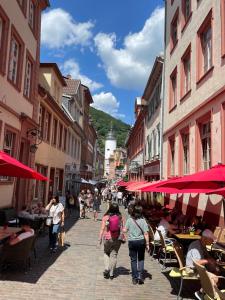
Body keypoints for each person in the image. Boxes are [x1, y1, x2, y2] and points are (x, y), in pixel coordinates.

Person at [186, 229, 221, 295]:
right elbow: (196, 263)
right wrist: (208, 261)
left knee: (216, 270)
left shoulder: (201, 244)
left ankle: (209, 290)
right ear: (204, 239)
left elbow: (206, 255)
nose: (213, 241)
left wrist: (212, 260)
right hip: (192, 270)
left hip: (197, 268)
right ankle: (205, 293)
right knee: (215, 278)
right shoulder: (196, 247)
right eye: (211, 239)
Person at [98, 202, 124, 280]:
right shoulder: (120, 217)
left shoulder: (106, 217)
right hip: (117, 238)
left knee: (106, 252)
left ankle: (106, 269)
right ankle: (112, 273)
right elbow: (122, 229)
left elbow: (102, 228)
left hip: (107, 238)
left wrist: (99, 239)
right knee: (114, 255)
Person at [124, 205, 149, 285]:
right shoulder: (143, 221)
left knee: (133, 260)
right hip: (141, 241)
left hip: (132, 242)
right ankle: (140, 276)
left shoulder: (129, 220)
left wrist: (122, 227)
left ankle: (134, 278)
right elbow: (146, 233)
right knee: (141, 259)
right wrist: (148, 244)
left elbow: (125, 230)